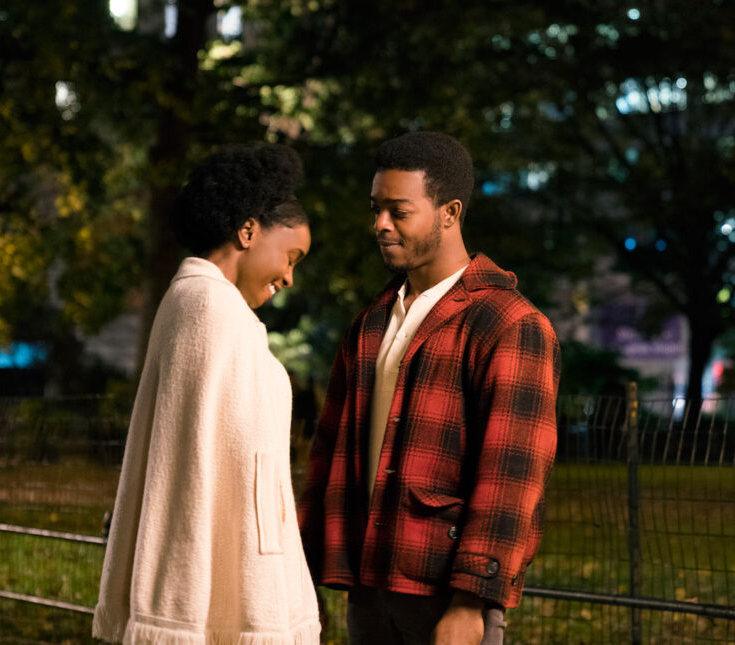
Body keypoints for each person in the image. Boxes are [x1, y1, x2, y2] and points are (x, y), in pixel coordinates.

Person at [297, 132, 560, 645]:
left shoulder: (509, 323)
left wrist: (471, 602)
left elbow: (512, 478)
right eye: (375, 209)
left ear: (449, 212)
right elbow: (327, 456)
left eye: (399, 211)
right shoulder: (370, 323)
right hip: (367, 588)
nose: (380, 224)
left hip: (448, 597)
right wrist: (301, 576)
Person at [94, 144, 321, 644]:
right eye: (290, 256)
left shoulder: (213, 308)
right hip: (219, 587)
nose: (288, 276)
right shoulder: (208, 308)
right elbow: (193, 477)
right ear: (247, 231)